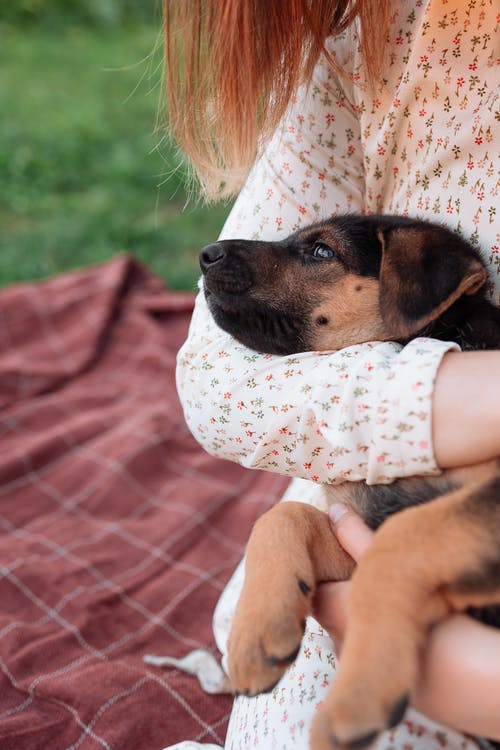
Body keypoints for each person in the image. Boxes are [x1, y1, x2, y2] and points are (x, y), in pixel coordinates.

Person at [165, 1, 500, 747]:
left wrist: (404, 613)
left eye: (316, 256)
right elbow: (216, 386)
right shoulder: (370, 46)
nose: (229, 258)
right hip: (358, 615)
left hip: (420, 636)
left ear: (423, 292)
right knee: (286, 525)